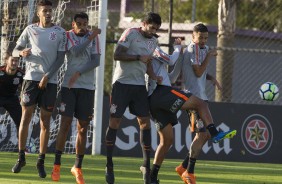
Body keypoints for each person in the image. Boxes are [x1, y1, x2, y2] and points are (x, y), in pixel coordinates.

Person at [148, 35, 237, 184]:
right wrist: (177, 48)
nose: (156, 38)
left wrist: (181, 56)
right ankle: (190, 169)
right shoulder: (153, 50)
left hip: (156, 97)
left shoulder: (159, 60)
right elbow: (176, 62)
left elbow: (172, 76)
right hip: (162, 93)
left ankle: (154, 176)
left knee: (167, 141)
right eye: (154, 34)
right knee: (201, 116)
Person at [170, 23, 232, 184]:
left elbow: (199, 72)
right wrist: (210, 56)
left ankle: (183, 167)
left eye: (205, 37)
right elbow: (197, 71)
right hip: (192, 99)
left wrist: (212, 79)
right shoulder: (193, 49)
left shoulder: (201, 50)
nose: (203, 40)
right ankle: (189, 173)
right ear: (193, 36)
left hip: (201, 98)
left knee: (203, 135)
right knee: (202, 134)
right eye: (200, 37)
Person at [104, 12, 162, 184]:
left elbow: (148, 63)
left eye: (156, 29)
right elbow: (117, 54)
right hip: (121, 84)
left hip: (139, 86)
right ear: (144, 23)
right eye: (152, 27)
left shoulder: (154, 41)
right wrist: (138, 57)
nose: (153, 31)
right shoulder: (130, 33)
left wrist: (153, 76)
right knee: (114, 123)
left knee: (145, 122)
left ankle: (145, 165)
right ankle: (109, 164)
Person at [11, 0, 66, 178]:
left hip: (49, 82)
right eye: (45, 11)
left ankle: (41, 161)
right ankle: (21, 158)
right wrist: (20, 53)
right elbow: (14, 51)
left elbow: (60, 58)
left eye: (50, 10)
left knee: (45, 122)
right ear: (39, 13)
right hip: (30, 80)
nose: (48, 13)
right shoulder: (30, 29)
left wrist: (47, 76)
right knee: (25, 118)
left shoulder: (59, 32)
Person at [50, 12, 101, 184]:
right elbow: (76, 52)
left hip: (87, 88)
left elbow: (96, 61)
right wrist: (91, 36)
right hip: (68, 87)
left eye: (85, 23)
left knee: (83, 128)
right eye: (78, 23)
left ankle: (77, 167)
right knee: (64, 123)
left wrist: (79, 73)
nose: (82, 26)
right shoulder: (68, 36)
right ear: (73, 25)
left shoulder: (94, 37)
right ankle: (57, 164)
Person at [0, 52, 24, 137]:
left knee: (21, 122)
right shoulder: (0, 71)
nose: (14, 63)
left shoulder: (21, 74)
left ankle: (22, 147)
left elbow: (24, 87)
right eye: (12, 60)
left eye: (16, 61)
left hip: (11, 98)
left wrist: (22, 96)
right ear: (6, 61)